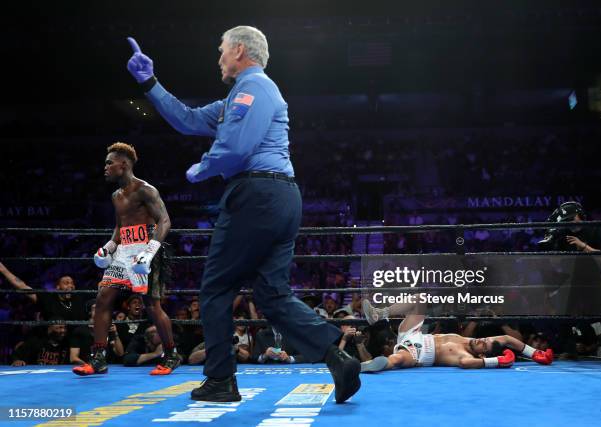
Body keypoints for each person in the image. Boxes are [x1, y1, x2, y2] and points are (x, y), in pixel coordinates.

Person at [126, 26, 360, 403]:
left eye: (221, 50)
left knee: (216, 289)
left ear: (238, 50)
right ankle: (337, 356)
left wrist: (201, 169)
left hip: (258, 194)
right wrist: (150, 83)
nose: (218, 57)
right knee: (272, 294)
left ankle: (221, 380)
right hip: (277, 196)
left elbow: (236, 147)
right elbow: (186, 119)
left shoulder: (256, 88)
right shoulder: (237, 97)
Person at [73, 142, 179, 376]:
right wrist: (110, 247)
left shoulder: (145, 190)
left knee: (152, 306)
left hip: (147, 250)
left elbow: (165, 221)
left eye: (109, 163)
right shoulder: (115, 195)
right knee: (103, 297)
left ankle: (171, 354)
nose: (106, 167)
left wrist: (150, 252)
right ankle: (99, 358)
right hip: (124, 253)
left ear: (123, 164)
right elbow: (120, 226)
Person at [360, 299, 554, 372]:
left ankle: (357, 368)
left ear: (482, 355)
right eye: (485, 339)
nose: (481, 340)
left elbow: (466, 364)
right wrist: (535, 353)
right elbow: (508, 340)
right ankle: (380, 314)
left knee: (393, 361)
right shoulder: (475, 343)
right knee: (420, 299)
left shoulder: (467, 356)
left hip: (418, 353)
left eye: (483, 345)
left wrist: (497, 362)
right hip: (415, 334)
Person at [0, 262, 86, 321]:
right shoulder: (48, 299)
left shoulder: (79, 299)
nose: (70, 286)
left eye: (72, 283)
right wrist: (3, 269)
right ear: (58, 287)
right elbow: (22, 286)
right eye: (66, 283)